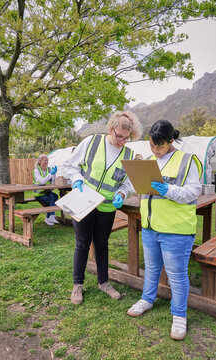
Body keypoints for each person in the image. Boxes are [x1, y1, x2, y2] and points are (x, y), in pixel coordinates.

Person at [127, 120, 203, 341]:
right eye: (152, 145)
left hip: (176, 229)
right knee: (151, 268)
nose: (155, 150)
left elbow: (192, 192)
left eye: (159, 146)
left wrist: (169, 190)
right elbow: (139, 186)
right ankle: (147, 299)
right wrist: (126, 191)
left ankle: (179, 315)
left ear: (171, 141)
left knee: (177, 275)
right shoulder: (150, 161)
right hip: (151, 226)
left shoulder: (187, 161)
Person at [63, 111, 143, 305]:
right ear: (111, 129)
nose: (122, 141)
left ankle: (104, 282)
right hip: (84, 201)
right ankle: (77, 285)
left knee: (102, 243)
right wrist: (77, 181)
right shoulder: (92, 142)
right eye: (119, 136)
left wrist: (122, 194)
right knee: (82, 242)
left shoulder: (129, 154)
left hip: (107, 207)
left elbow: (129, 183)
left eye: (127, 138)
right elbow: (71, 165)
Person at [32, 154, 59, 226]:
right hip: (38, 193)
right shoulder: (36, 171)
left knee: (55, 196)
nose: (47, 162)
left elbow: (53, 181)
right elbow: (42, 182)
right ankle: (50, 217)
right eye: (45, 160)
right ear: (40, 161)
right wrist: (51, 174)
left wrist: (54, 174)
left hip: (46, 191)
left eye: (47, 160)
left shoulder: (49, 169)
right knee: (50, 201)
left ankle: (50, 217)